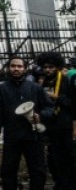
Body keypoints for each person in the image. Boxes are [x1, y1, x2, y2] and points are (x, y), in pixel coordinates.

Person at [0, 55, 51, 190]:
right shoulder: (1, 89)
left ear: (25, 69)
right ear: (8, 68)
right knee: (8, 171)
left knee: (38, 170)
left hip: (33, 135)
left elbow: (49, 107)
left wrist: (40, 116)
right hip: (12, 136)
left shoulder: (35, 88)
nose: (16, 69)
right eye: (13, 66)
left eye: (19, 66)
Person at [36, 52, 75, 190]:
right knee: (53, 158)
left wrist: (57, 97)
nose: (47, 70)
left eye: (51, 67)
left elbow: (72, 103)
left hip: (65, 125)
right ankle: (60, 183)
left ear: (57, 67)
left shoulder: (66, 81)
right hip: (50, 125)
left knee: (69, 156)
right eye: (45, 67)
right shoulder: (43, 82)